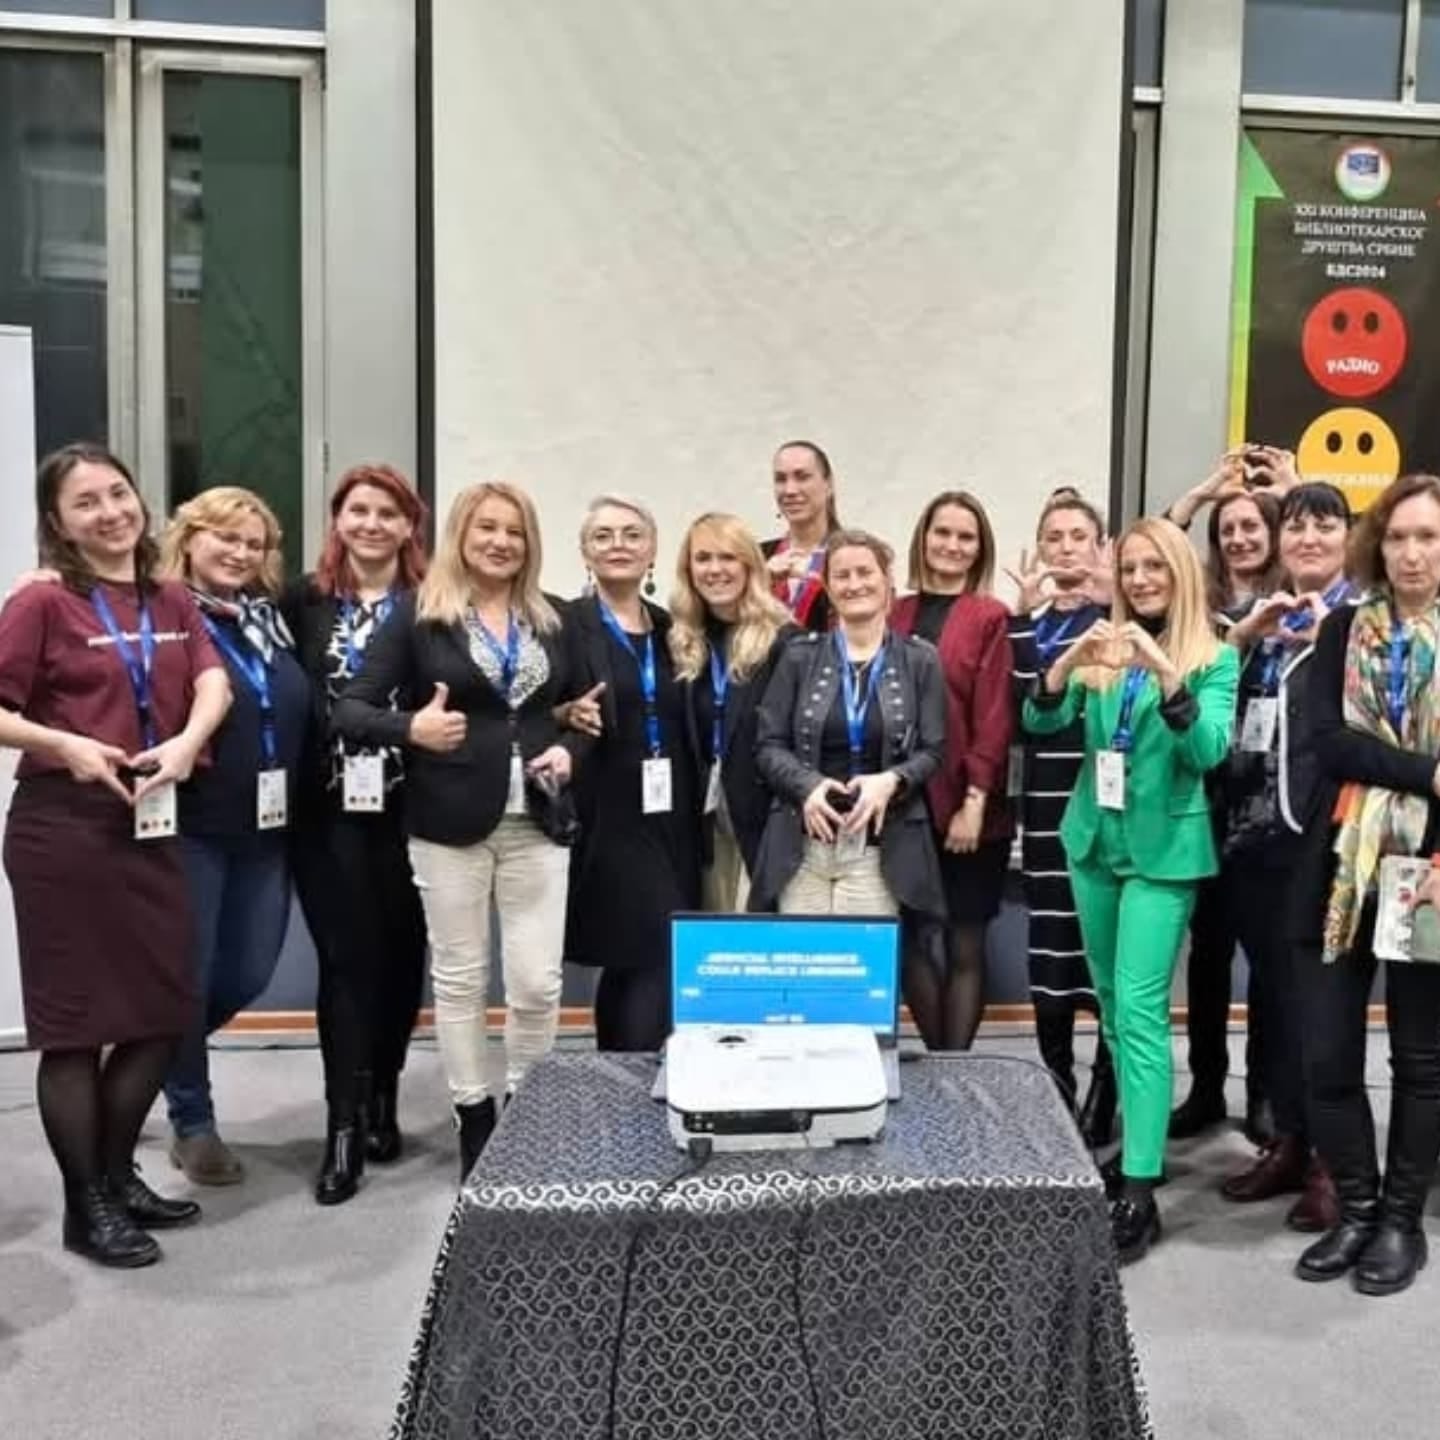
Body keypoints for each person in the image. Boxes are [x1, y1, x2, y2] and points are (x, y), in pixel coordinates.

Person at [0, 443, 229, 1266]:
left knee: (164, 1012)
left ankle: (114, 1172)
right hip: (64, 832)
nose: (109, 512)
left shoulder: (170, 596)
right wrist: (63, 743)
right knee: (75, 1029)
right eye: (85, 502)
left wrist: (188, 741)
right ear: (58, 523)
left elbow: (211, 682)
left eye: (117, 493)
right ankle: (86, 1202)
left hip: (151, 826)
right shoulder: (43, 602)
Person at [333, 482, 582, 1178]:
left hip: (538, 820)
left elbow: (589, 711)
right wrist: (410, 727)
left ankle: (529, 1113)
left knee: (537, 983)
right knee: (462, 979)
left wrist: (572, 748)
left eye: (515, 531)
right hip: (447, 824)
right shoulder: (421, 615)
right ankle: (474, 1114)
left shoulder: (553, 617)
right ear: (460, 536)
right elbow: (349, 710)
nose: (501, 542)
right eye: (486, 528)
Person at [1024, 517, 1239, 1264]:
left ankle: (1141, 1191)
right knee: (1114, 1008)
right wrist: (1064, 665)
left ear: (1180, 574)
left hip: (1163, 855)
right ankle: (1139, 1146)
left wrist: (1170, 677)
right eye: (1132, 568)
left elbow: (1208, 750)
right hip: (1093, 843)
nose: (1142, 580)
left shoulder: (1214, 657)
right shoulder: (1105, 653)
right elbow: (1041, 719)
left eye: (1157, 567)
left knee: (1141, 1012)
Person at [1292, 474, 1440, 1297]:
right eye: (1398, 536)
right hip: (1341, 863)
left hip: (1431, 867)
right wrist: (1429, 772)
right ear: (1378, 545)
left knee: (1421, 1057)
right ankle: (1355, 1207)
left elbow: (1357, 747)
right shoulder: (1345, 628)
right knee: (1327, 1051)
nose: (1412, 552)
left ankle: (1400, 1222)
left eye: (1429, 536)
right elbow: (1329, 742)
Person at [282, 463, 429, 1205]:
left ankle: (384, 1096)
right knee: (345, 962)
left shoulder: (434, 604)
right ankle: (342, 1125)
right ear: (338, 520)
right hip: (327, 809)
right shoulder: (301, 601)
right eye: (358, 511)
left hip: (416, 809)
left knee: (403, 958)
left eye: (388, 513)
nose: (372, 524)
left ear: (409, 527)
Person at [157, 488, 311, 1186]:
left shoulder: (267, 620)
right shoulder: (162, 613)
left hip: (267, 828)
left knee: (248, 972)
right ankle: (192, 1119)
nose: (240, 553)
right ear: (189, 536)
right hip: (192, 826)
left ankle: (144, 1052)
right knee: (186, 980)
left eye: (254, 543)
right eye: (225, 536)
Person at [1214, 482, 1356, 1229]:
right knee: (1274, 998)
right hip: (1255, 834)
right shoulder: (1267, 620)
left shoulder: (1362, 619)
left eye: (1323, 526)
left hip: (1325, 837)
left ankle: (1335, 1162)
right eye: (1296, 527)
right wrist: (1244, 640)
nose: (1308, 539)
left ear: (1347, 538)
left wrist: (1336, 642)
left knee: (1325, 1007)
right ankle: (1291, 1142)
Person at [1171, 469, 1285, 1143]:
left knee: (1265, 958)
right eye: (1228, 529)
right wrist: (1198, 496)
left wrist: (1294, 489)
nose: (1240, 538)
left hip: (1267, 804)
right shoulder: (1198, 605)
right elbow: (1155, 547)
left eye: (1251, 526)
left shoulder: (1293, 598)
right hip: (1204, 796)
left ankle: (1263, 1095)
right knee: (1207, 953)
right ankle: (1207, 1087)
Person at [750, 530, 946, 922]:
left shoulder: (920, 659)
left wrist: (891, 780)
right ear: (828, 586)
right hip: (803, 846)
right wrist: (807, 786)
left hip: (880, 847)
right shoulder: (798, 657)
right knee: (804, 956)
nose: (854, 584)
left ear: (887, 581)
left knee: (863, 957)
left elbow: (934, 749)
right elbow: (768, 744)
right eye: (842, 575)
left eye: (865, 572)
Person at [563, 495, 699, 1051]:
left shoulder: (674, 629)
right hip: (608, 814)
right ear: (585, 552)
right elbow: (536, 706)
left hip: (674, 812)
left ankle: (620, 1071)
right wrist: (561, 715)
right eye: (603, 536)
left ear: (652, 551)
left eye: (631, 534)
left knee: (644, 955)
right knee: (647, 946)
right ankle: (634, 1073)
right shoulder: (566, 626)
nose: (617, 545)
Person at [1006, 487, 1118, 1142]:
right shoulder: (1027, 622)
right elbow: (1026, 709)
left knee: (1105, 953)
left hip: (1107, 811)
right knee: (1049, 951)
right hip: (1045, 811)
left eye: (1080, 536)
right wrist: (1022, 620)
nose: (1067, 548)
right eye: (1055, 537)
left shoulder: (1117, 619)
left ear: (1100, 547)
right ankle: (1057, 1086)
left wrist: (1113, 603)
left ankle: (1106, 1090)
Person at [889, 491, 1013, 1051]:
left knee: (964, 943)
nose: (952, 545)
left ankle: (955, 1064)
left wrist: (975, 801)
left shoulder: (991, 617)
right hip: (901, 807)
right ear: (924, 537)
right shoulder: (893, 612)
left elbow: (994, 715)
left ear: (980, 549)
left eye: (966, 537)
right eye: (943, 532)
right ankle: (938, 1063)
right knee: (911, 942)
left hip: (967, 806)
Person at [668, 512, 795, 910]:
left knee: (761, 932)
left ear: (750, 566)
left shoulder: (785, 642)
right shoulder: (683, 641)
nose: (715, 569)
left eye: (728, 557)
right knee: (712, 931)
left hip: (765, 818)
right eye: (703, 558)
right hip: (703, 819)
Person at [762, 440, 840, 632]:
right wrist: (761, 582)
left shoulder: (855, 556)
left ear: (828, 484)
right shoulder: (757, 557)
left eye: (802, 477)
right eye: (781, 479)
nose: (790, 490)